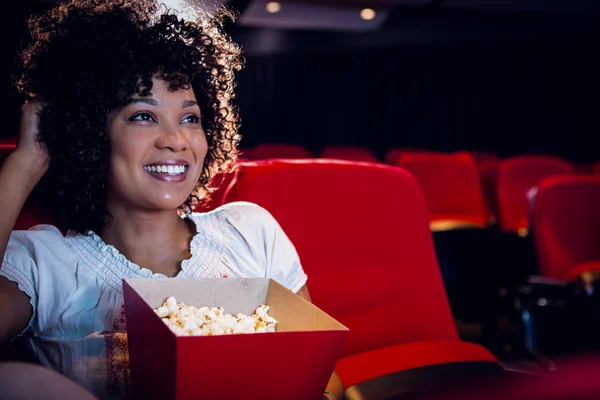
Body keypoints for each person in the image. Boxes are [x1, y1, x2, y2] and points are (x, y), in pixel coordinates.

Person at [0, 1, 344, 399]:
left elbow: (323, 380)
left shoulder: (252, 233)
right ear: (90, 134)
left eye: (190, 118)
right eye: (143, 116)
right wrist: (28, 161)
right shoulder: (42, 263)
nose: (176, 140)